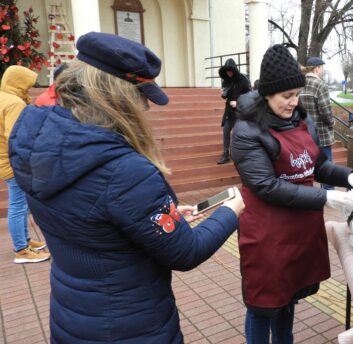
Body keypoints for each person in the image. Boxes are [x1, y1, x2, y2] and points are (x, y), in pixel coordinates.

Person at [8, 32, 245, 343]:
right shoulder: (124, 171)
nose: (145, 108)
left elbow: (100, 222)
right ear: (117, 97)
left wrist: (161, 219)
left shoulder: (38, 143)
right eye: (141, 97)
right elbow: (186, 252)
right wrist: (231, 211)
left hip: (73, 315)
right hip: (130, 326)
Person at [231, 44, 353, 344]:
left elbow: (318, 165)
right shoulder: (246, 131)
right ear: (267, 93)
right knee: (263, 306)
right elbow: (266, 186)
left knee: (288, 299)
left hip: (298, 231)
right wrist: (327, 198)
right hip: (267, 234)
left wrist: (352, 177)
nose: (293, 102)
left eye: (296, 94)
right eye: (287, 96)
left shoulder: (299, 120)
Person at [0, 65, 50, 263]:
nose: (29, 89)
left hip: (4, 158)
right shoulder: (13, 103)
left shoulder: (3, 97)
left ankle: (26, 241)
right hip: (12, 161)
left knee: (19, 202)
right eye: (27, 85)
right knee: (18, 204)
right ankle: (21, 250)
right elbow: (16, 135)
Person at [299, 56, 335, 190]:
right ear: (317, 69)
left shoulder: (300, 84)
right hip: (321, 134)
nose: (323, 71)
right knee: (327, 165)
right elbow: (325, 112)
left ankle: (308, 192)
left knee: (307, 166)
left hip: (304, 133)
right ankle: (329, 192)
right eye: (322, 68)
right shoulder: (320, 85)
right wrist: (331, 124)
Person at [217, 58, 251, 164]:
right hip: (229, 110)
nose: (229, 73)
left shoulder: (243, 79)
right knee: (226, 130)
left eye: (230, 70)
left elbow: (250, 96)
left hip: (241, 110)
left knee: (239, 133)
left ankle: (240, 154)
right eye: (227, 71)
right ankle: (226, 154)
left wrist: (238, 102)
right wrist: (223, 94)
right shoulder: (226, 80)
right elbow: (225, 96)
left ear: (234, 70)